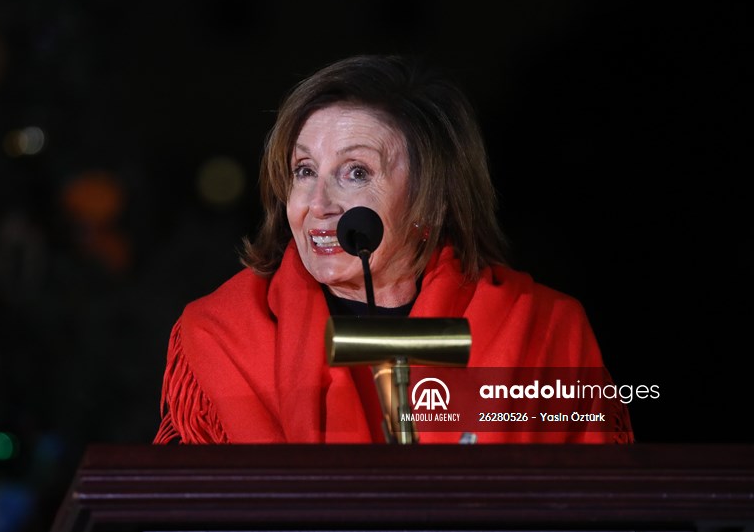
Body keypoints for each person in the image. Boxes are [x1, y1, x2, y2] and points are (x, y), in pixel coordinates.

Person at [153, 54, 634, 445]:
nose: (317, 205)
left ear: (436, 198)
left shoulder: (543, 330)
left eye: (356, 172)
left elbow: (599, 522)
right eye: (304, 171)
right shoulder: (224, 334)